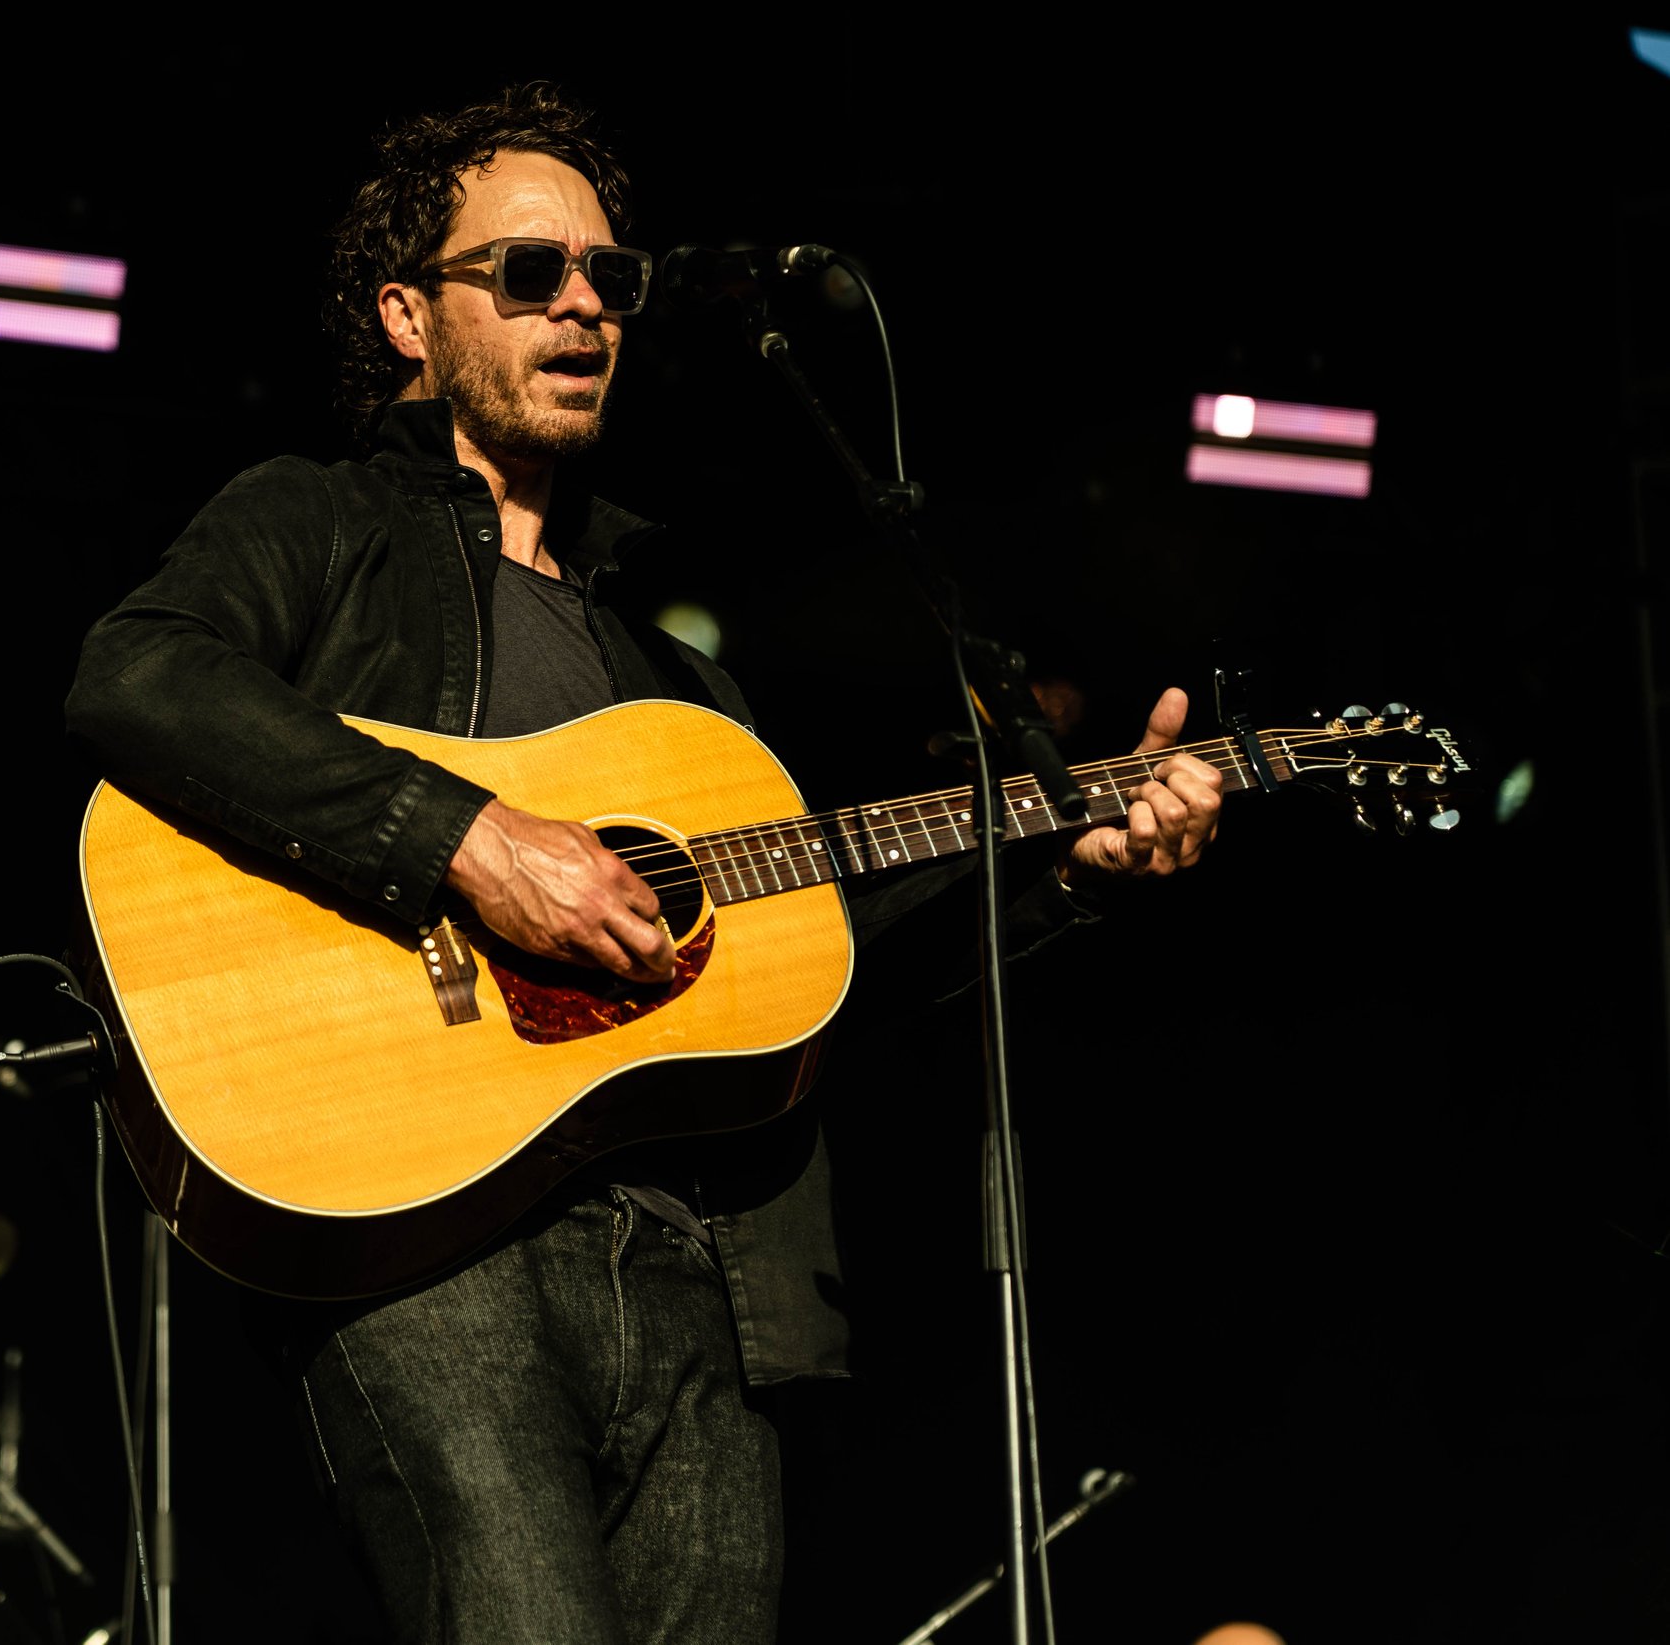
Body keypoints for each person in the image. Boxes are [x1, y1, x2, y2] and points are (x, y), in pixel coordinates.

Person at [62, 81, 1223, 1643]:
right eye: (528, 273)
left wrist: (1067, 863)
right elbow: (136, 677)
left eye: (613, 275)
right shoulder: (320, 522)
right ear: (411, 314)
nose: (585, 305)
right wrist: (466, 840)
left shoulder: (678, 687)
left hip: (708, 1275)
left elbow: (821, 965)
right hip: (430, 1244)